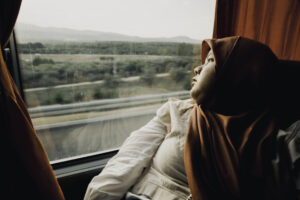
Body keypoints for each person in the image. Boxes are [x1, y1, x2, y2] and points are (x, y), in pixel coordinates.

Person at [84, 36, 279, 200]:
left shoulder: (273, 140)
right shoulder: (176, 112)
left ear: (237, 74)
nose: (197, 69)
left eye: (210, 61)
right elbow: (124, 164)